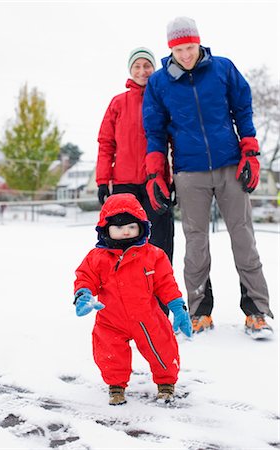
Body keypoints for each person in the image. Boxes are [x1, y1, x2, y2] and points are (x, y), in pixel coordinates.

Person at [142, 16, 274, 338]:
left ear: (198, 42)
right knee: (196, 242)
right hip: (189, 171)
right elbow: (155, 133)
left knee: (243, 238)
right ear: (170, 49)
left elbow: (243, 110)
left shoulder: (223, 68)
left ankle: (257, 312)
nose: (186, 55)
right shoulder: (159, 83)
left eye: (190, 47)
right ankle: (200, 311)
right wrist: (155, 173)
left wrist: (250, 152)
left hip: (229, 165)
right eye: (178, 49)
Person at [73, 193, 192, 405]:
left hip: (147, 317)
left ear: (141, 227)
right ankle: (116, 386)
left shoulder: (154, 255)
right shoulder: (97, 257)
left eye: (131, 226)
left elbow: (166, 283)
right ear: (106, 229)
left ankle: (166, 383)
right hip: (110, 319)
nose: (125, 231)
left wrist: (177, 306)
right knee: (109, 354)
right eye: (118, 228)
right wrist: (84, 295)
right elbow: (85, 277)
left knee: (162, 348)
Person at [96, 47, 174, 269]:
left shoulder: (163, 101)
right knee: (123, 242)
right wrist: (103, 181)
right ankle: (127, 297)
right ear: (131, 70)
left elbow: (175, 141)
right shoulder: (117, 103)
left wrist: (174, 178)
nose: (142, 71)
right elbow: (105, 144)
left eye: (147, 66)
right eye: (137, 66)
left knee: (160, 243)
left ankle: (160, 300)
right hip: (124, 186)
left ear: (154, 68)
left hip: (155, 183)